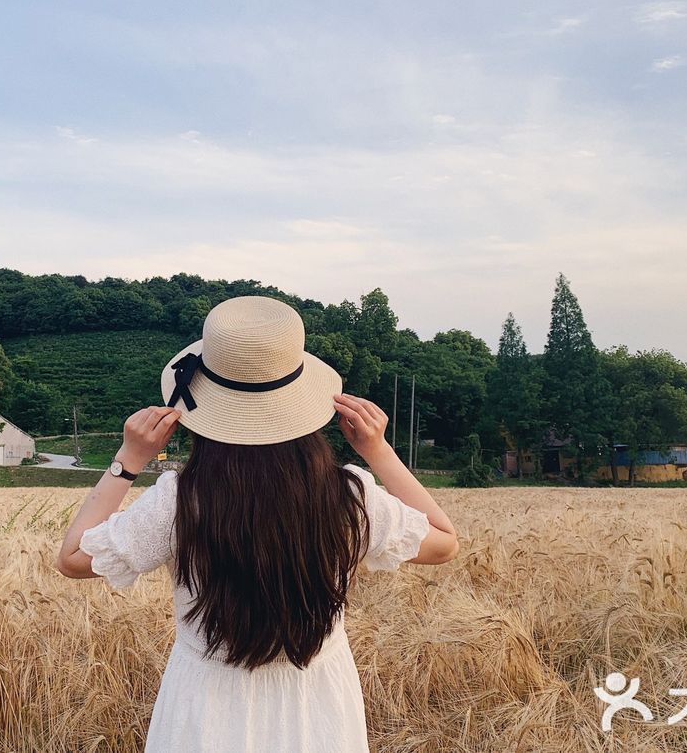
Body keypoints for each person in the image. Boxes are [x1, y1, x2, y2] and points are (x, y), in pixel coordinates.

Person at [55, 295, 460, 753]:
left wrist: (128, 460)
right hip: (319, 712)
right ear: (301, 402)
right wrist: (378, 450)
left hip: (205, 713)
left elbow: (72, 559)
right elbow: (444, 541)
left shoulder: (179, 500)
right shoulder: (349, 496)